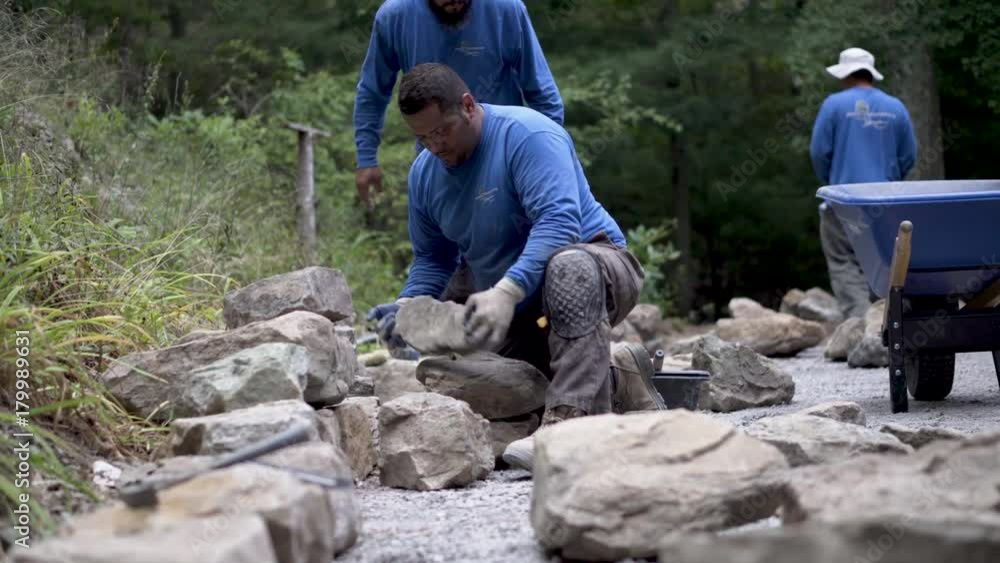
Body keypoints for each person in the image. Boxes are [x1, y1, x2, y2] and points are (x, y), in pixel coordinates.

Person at [366, 63, 664, 472]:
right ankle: (618, 377)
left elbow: (561, 222)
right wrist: (408, 306)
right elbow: (434, 257)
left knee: (569, 266)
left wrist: (506, 291)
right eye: (422, 137)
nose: (434, 146)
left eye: (441, 132)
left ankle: (567, 427)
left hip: (596, 264)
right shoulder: (424, 175)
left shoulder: (528, 135)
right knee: (502, 378)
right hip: (520, 304)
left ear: (468, 106)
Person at [353, 0, 565, 210]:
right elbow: (373, 91)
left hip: (505, 157)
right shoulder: (395, 16)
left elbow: (542, 92)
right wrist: (366, 158)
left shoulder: (505, 9)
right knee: (445, 237)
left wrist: (552, 154)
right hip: (439, 160)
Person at [811, 47, 917, 318]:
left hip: (842, 201)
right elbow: (909, 156)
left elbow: (819, 152)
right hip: (886, 202)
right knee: (885, 262)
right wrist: (889, 182)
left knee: (843, 261)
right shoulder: (895, 107)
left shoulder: (833, 105)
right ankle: (887, 326)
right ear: (871, 73)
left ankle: (859, 328)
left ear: (845, 75)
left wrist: (832, 183)